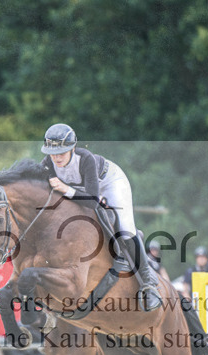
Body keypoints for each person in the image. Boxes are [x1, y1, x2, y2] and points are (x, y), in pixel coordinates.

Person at [40, 123, 161, 311]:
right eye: (52, 153)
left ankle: (149, 284)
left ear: (72, 148)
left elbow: (93, 201)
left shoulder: (85, 158)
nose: (56, 158)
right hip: (85, 191)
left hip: (109, 182)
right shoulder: (48, 164)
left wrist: (65, 189)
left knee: (125, 229)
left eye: (61, 153)